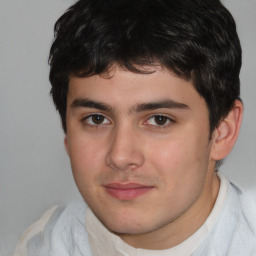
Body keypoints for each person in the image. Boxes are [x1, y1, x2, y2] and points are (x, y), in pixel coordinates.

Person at [13, 0, 256, 255]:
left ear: (222, 131)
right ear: (67, 135)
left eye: (159, 120)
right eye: (97, 119)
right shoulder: (42, 245)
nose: (120, 156)